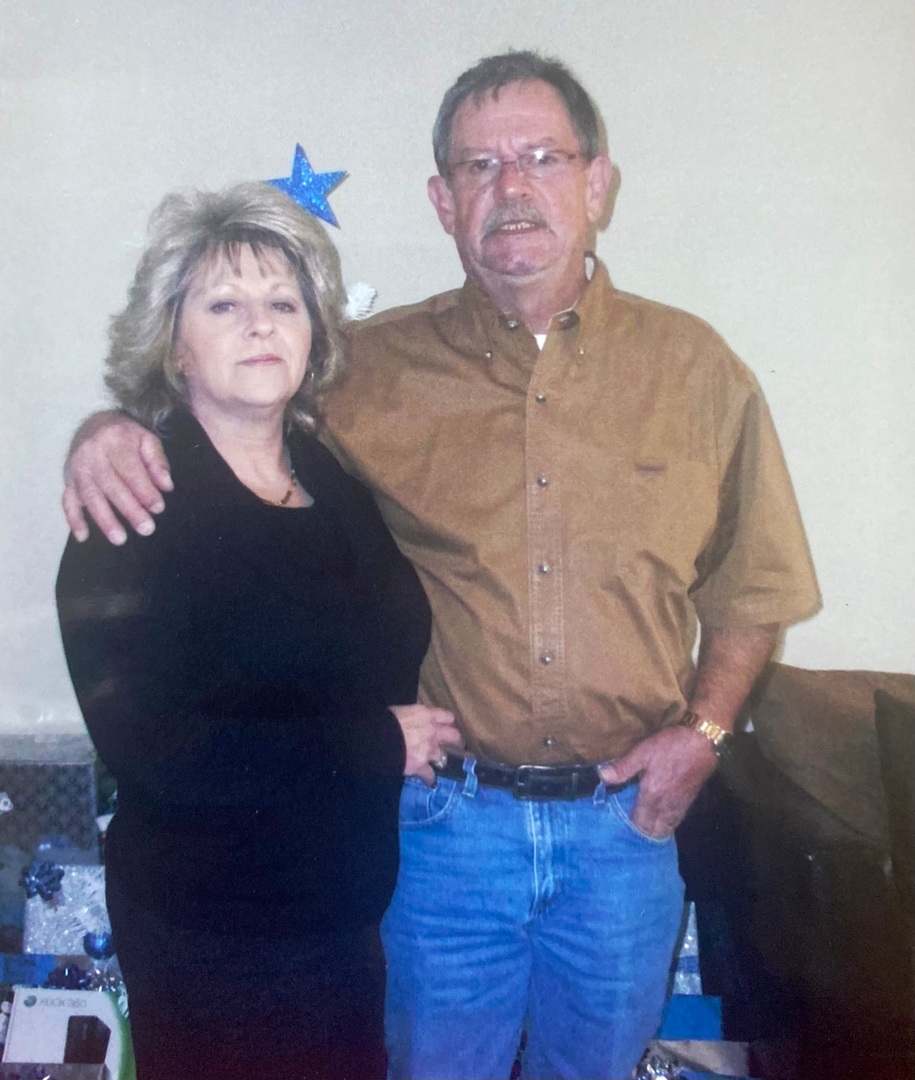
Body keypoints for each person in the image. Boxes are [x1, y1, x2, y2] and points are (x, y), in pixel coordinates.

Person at [62, 52, 820, 1080]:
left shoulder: (699, 372)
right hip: (442, 834)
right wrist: (109, 430)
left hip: (623, 832)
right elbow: (226, 401)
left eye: (542, 157)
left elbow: (755, 585)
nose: (512, 187)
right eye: (479, 165)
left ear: (597, 184)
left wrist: (705, 735)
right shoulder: (366, 371)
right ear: (442, 199)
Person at [55, 181, 462, 1080]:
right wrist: (373, 743)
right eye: (223, 305)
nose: (259, 326)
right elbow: (155, 751)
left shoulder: (329, 475)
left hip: (342, 914)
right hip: (214, 930)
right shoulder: (131, 507)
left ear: (314, 332)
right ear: (173, 343)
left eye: (283, 303)